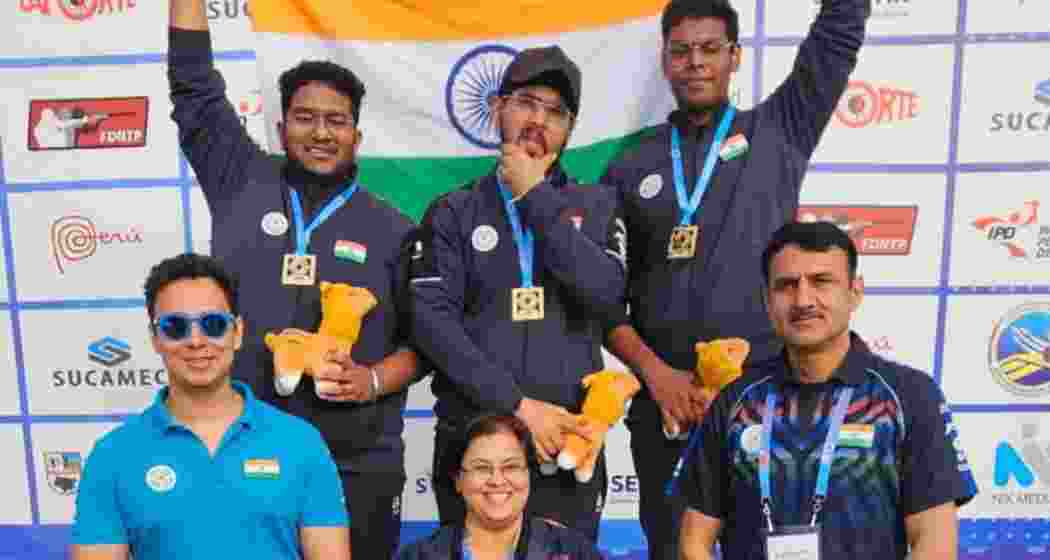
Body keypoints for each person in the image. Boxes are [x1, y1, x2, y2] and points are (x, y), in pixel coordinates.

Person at [599, 1, 871, 557]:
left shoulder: (780, 129)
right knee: (674, 548)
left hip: (769, 400)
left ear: (735, 58)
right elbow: (599, 296)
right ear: (665, 62)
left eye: (709, 49)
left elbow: (836, 38)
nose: (695, 62)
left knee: (773, 548)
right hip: (667, 408)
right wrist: (657, 376)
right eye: (681, 51)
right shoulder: (630, 165)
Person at [167, 2, 421, 557]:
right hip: (240, 451)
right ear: (281, 127)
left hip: (357, 462)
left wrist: (373, 380)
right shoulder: (240, 179)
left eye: (337, 120)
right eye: (305, 117)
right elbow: (193, 86)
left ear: (357, 134)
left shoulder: (395, 228)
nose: (321, 133)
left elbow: (424, 346)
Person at [409, 45, 627, 539]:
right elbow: (432, 326)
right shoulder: (452, 211)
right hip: (474, 449)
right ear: (497, 109)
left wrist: (537, 198)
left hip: (569, 447)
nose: (538, 120)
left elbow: (606, 295)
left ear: (569, 129)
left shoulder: (596, 206)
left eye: (555, 112)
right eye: (527, 102)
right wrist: (519, 406)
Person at [677, 221, 978, 560]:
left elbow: (933, 540)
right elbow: (694, 539)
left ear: (855, 292)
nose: (803, 299)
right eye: (787, 285)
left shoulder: (911, 395)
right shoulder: (736, 400)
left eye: (822, 282)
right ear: (766, 300)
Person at [70, 253, 350, 560]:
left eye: (213, 324)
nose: (195, 340)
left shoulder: (301, 442)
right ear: (155, 338)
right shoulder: (113, 455)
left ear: (238, 332)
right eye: (175, 326)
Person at [396, 415, 604, 560]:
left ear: (528, 475)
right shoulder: (420, 556)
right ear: (458, 479)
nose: (497, 480)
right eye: (481, 468)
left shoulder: (573, 552)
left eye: (511, 466)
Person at [33, 107, 103, 149]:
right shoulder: (51, 123)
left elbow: (87, 126)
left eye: (68, 114)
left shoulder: (65, 126)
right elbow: (65, 124)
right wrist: (85, 120)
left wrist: (88, 120)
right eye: (64, 114)